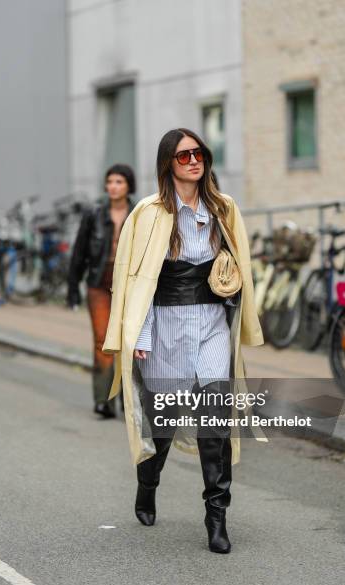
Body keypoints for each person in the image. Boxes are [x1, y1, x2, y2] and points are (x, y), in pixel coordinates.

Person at [102, 129, 265, 554]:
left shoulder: (224, 209)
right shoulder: (148, 212)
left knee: (215, 422)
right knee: (163, 425)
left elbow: (241, 265)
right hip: (165, 328)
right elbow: (138, 281)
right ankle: (148, 482)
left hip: (212, 325)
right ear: (167, 164)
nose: (194, 160)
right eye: (183, 156)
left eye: (199, 153)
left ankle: (216, 517)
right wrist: (139, 334)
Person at [67, 164, 135, 418]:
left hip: (129, 286)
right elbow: (79, 252)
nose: (113, 186)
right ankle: (104, 400)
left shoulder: (138, 213)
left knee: (130, 343)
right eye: (110, 181)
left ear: (129, 185)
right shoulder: (94, 213)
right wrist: (72, 286)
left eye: (119, 181)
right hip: (98, 284)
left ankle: (129, 400)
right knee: (103, 341)